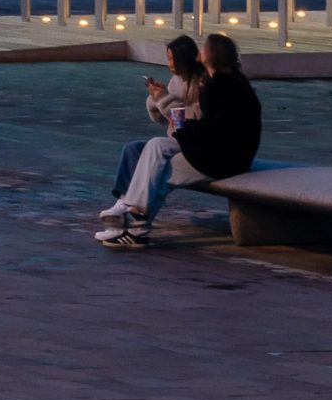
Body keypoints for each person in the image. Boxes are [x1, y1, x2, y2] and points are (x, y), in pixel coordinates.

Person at [96, 31, 261, 248]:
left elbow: (207, 128)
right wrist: (159, 100)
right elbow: (201, 127)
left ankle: (134, 226)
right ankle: (131, 217)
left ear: (211, 56)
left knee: (160, 174)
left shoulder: (213, 86)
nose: (199, 52)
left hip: (219, 160)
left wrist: (178, 125)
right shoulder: (228, 82)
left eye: (204, 48)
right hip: (218, 152)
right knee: (154, 148)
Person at [107, 33, 204, 205]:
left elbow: (187, 120)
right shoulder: (177, 81)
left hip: (189, 143)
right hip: (175, 138)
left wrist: (163, 98)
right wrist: (155, 98)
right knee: (132, 149)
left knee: (152, 148)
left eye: (172, 59)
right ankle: (123, 201)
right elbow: (163, 119)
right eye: (168, 59)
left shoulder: (200, 84)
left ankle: (132, 207)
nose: (169, 64)